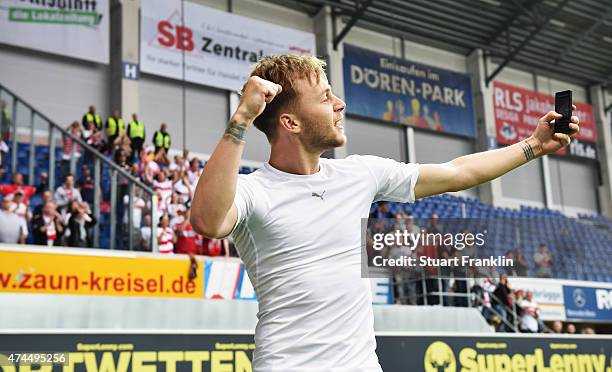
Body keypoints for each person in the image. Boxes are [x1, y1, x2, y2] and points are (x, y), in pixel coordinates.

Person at [189, 55, 580, 371]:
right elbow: (208, 221)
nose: (339, 104)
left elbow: (459, 173)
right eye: (325, 97)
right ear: (290, 122)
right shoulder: (256, 191)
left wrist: (533, 145)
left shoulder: (360, 173)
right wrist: (241, 119)